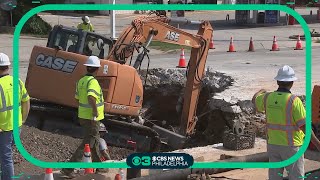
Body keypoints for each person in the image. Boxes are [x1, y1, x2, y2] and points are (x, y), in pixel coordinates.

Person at [252, 65, 320, 180]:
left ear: (278, 81)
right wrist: (318, 144)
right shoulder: (294, 101)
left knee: (275, 177)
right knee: (296, 177)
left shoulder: (267, 97)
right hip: (291, 147)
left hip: (273, 145)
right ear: (292, 82)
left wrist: (261, 91)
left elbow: (254, 101)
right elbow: (305, 127)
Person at [61, 56, 104, 178]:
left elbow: (77, 98)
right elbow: (91, 97)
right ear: (96, 69)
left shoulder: (81, 81)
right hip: (92, 118)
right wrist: (95, 111)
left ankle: (99, 166)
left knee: (94, 139)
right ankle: (68, 169)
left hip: (83, 116)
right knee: (87, 142)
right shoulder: (93, 82)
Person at [0, 53, 30, 180]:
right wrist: (22, 119)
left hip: (3, 129)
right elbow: (26, 102)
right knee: (6, 155)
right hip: (16, 126)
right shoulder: (17, 81)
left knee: (6, 158)